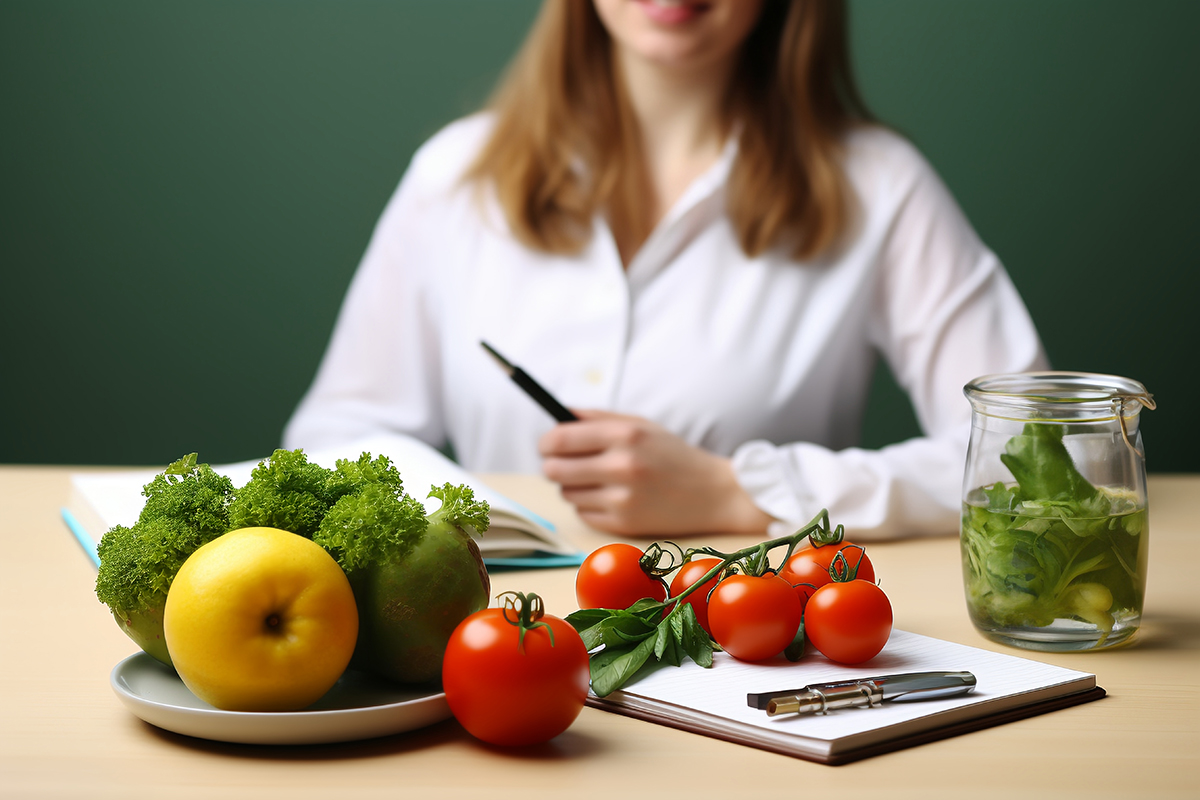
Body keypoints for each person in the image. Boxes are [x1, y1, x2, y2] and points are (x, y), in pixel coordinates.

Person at [283, 0, 1046, 540]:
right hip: (496, 649)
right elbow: (333, 440)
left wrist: (738, 492)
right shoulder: (455, 175)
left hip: (748, 643)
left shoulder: (879, 185)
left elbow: (1039, 453)